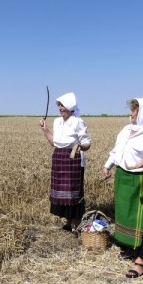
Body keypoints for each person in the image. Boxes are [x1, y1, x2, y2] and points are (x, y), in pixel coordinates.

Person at [101, 98, 143, 279]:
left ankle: (140, 259)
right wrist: (107, 166)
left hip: (142, 177)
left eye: (135, 111)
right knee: (124, 213)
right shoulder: (126, 130)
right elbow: (116, 151)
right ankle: (130, 248)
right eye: (131, 111)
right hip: (123, 176)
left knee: (139, 217)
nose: (131, 114)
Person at [39, 92, 91, 232]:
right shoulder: (57, 121)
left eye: (63, 105)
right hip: (59, 157)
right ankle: (68, 222)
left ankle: (76, 223)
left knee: (74, 192)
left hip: (73, 159)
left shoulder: (78, 122)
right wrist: (45, 129)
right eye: (59, 105)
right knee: (62, 192)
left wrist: (80, 146)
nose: (60, 108)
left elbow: (87, 143)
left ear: (70, 107)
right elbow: (53, 142)